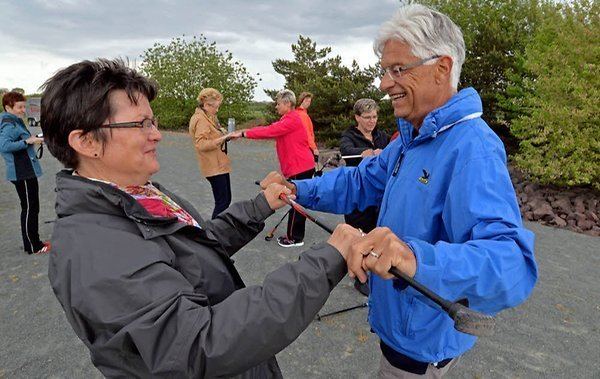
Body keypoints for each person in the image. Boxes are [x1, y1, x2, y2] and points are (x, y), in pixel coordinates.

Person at [260, 4, 537, 377]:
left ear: (441, 68)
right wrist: (297, 188)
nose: (384, 83)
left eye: (398, 69)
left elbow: (512, 262)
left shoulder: (473, 147)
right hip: (398, 330)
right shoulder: (412, 137)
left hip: (419, 348)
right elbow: (359, 181)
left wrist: (414, 258)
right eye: (384, 70)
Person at [41, 58, 361, 378]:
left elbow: (195, 250)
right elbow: (198, 345)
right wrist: (326, 261)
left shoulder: (139, 194)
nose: (157, 135)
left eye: (153, 122)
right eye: (141, 124)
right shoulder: (97, 247)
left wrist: (259, 206)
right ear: (86, 142)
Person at [232, 89, 315, 248]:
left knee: (296, 201)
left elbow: (269, 131)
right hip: (298, 166)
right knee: (295, 200)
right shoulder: (287, 118)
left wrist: (243, 133)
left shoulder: (292, 119)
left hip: (301, 166)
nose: (276, 106)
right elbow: (271, 128)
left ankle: (295, 237)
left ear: (287, 104)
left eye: (278, 103)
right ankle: (295, 235)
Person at [0, 91, 50, 255]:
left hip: (25, 170)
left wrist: (34, 138)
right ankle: (34, 245)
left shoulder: (14, 121)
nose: (23, 110)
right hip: (22, 171)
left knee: (30, 206)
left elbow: (18, 141)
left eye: (24, 106)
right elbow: (5, 146)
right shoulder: (8, 124)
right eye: (20, 107)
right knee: (29, 207)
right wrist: (27, 141)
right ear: (8, 107)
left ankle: (32, 242)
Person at [340, 98, 390, 232]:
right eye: (367, 117)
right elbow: (346, 150)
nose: (372, 121)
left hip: (379, 194)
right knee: (357, 235)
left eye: (374, 116)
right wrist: (365, 153)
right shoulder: (348, 136)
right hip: (357, 194)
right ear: (357, 117)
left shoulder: (382, 135)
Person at [189, 88, 232, 219]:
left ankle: (218, 229)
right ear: (206, 105)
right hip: (213, 166)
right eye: (216, 107)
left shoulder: (210, 117)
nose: (217, 110)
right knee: (222, 202)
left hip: (219, 165)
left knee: (225, 200)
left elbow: (216, 132)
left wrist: (227, 135)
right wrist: (222, 139)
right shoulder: (201, 120)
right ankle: (215, 232)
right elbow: (201, 144)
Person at [296, 91, 319, 162]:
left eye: (309, 101)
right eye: (307, 101)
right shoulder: (302, 115)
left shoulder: (299, 113)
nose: (308, 103)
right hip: (305, 147)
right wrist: (314, 148)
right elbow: (307, 133)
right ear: (302, 101)